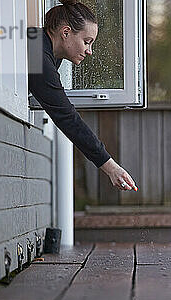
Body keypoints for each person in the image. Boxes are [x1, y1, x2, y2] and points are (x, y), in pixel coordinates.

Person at [28, 0, 137, 191]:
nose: (89, 51)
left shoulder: (47, 50)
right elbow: (67, 117)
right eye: (87, 42)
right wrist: (111, 167)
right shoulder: (37, 54)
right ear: (66, 32)